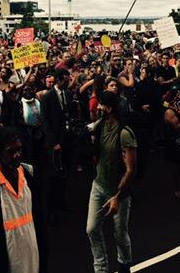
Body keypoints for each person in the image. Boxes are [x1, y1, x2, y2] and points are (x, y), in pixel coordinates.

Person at [0, 126, 47, 273]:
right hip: (5, 257)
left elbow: (39, 218)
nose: (17, 155)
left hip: (32, 252)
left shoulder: (29, 175)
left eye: (19, 149)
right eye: (11, 151)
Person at [86, 91, 137, 273]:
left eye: (100, 104)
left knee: (120, 235)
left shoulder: (125, 133)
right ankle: (101, 268)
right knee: (92, 229)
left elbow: (131, 170)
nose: (97, 107)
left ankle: (125, 267)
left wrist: (117, 196)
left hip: (119, 193)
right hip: (98, 186)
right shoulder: (100, 126)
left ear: (110, 108)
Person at [41, 68, 76, 225]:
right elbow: (46, 122)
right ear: (59, 80)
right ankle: (51, 210)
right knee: (54, 176)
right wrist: (54, 142)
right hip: (54, 142)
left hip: (67, 138)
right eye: (67, 79)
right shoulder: (47, 97)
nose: (69, 82)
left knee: (65, 172)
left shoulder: (68, 94)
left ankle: (62, 203)